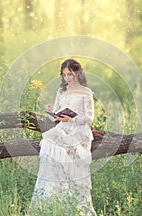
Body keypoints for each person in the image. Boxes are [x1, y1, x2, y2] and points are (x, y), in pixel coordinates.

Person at [28, 59, 97, 215]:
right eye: (64, 75)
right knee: (48, 144)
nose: (67, 78)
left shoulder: (86, 92)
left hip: (78, 129)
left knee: (70, 157)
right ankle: (53, 196)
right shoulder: (61, 91)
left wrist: (71, 119)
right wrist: (51, 111)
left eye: (70, 74)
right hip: (63, 127)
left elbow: (89, 117)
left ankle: (74, 201)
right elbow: (56, 117)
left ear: (78, 73)